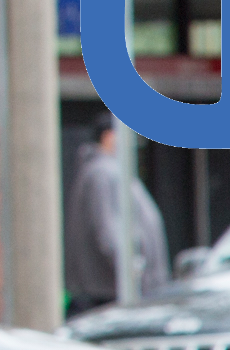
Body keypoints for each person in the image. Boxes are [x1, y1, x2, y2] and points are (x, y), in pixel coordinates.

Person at [64, 112, 171, 313]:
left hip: (114, 290)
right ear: (109, 136)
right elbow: (108, 233)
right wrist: (134, 277)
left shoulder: (108, 170)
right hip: (110, 294)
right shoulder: (102, 173)